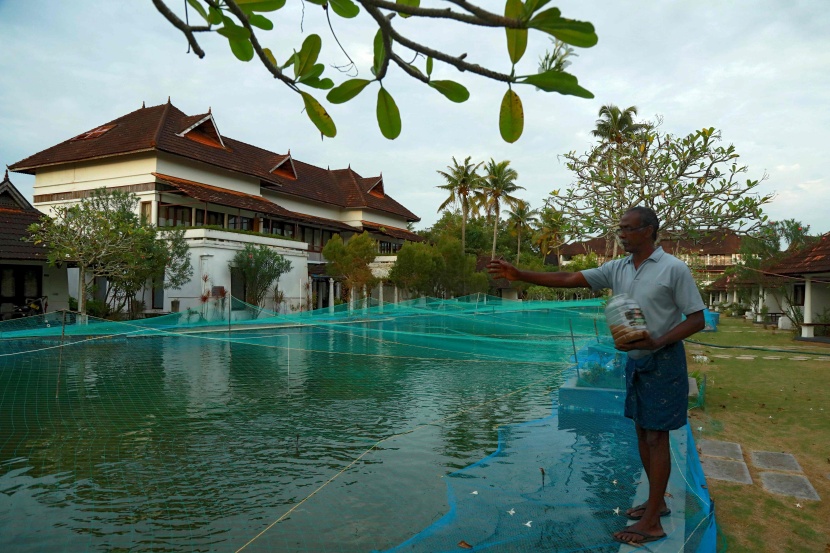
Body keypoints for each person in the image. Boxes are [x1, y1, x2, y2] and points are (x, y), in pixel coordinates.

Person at [487, 206, 705, 546]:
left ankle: (652, 524)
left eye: (628, 228)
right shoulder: (618, 268)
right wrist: (520, 275)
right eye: (620, 228)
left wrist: (658, 340)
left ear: (649, 230)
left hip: (663, 360)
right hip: (635, 359)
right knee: (641, 429)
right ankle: (656, 502)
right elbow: (569, 279)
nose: (621, 234)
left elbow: (696, 318)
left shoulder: (673, 269)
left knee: (656, 437)